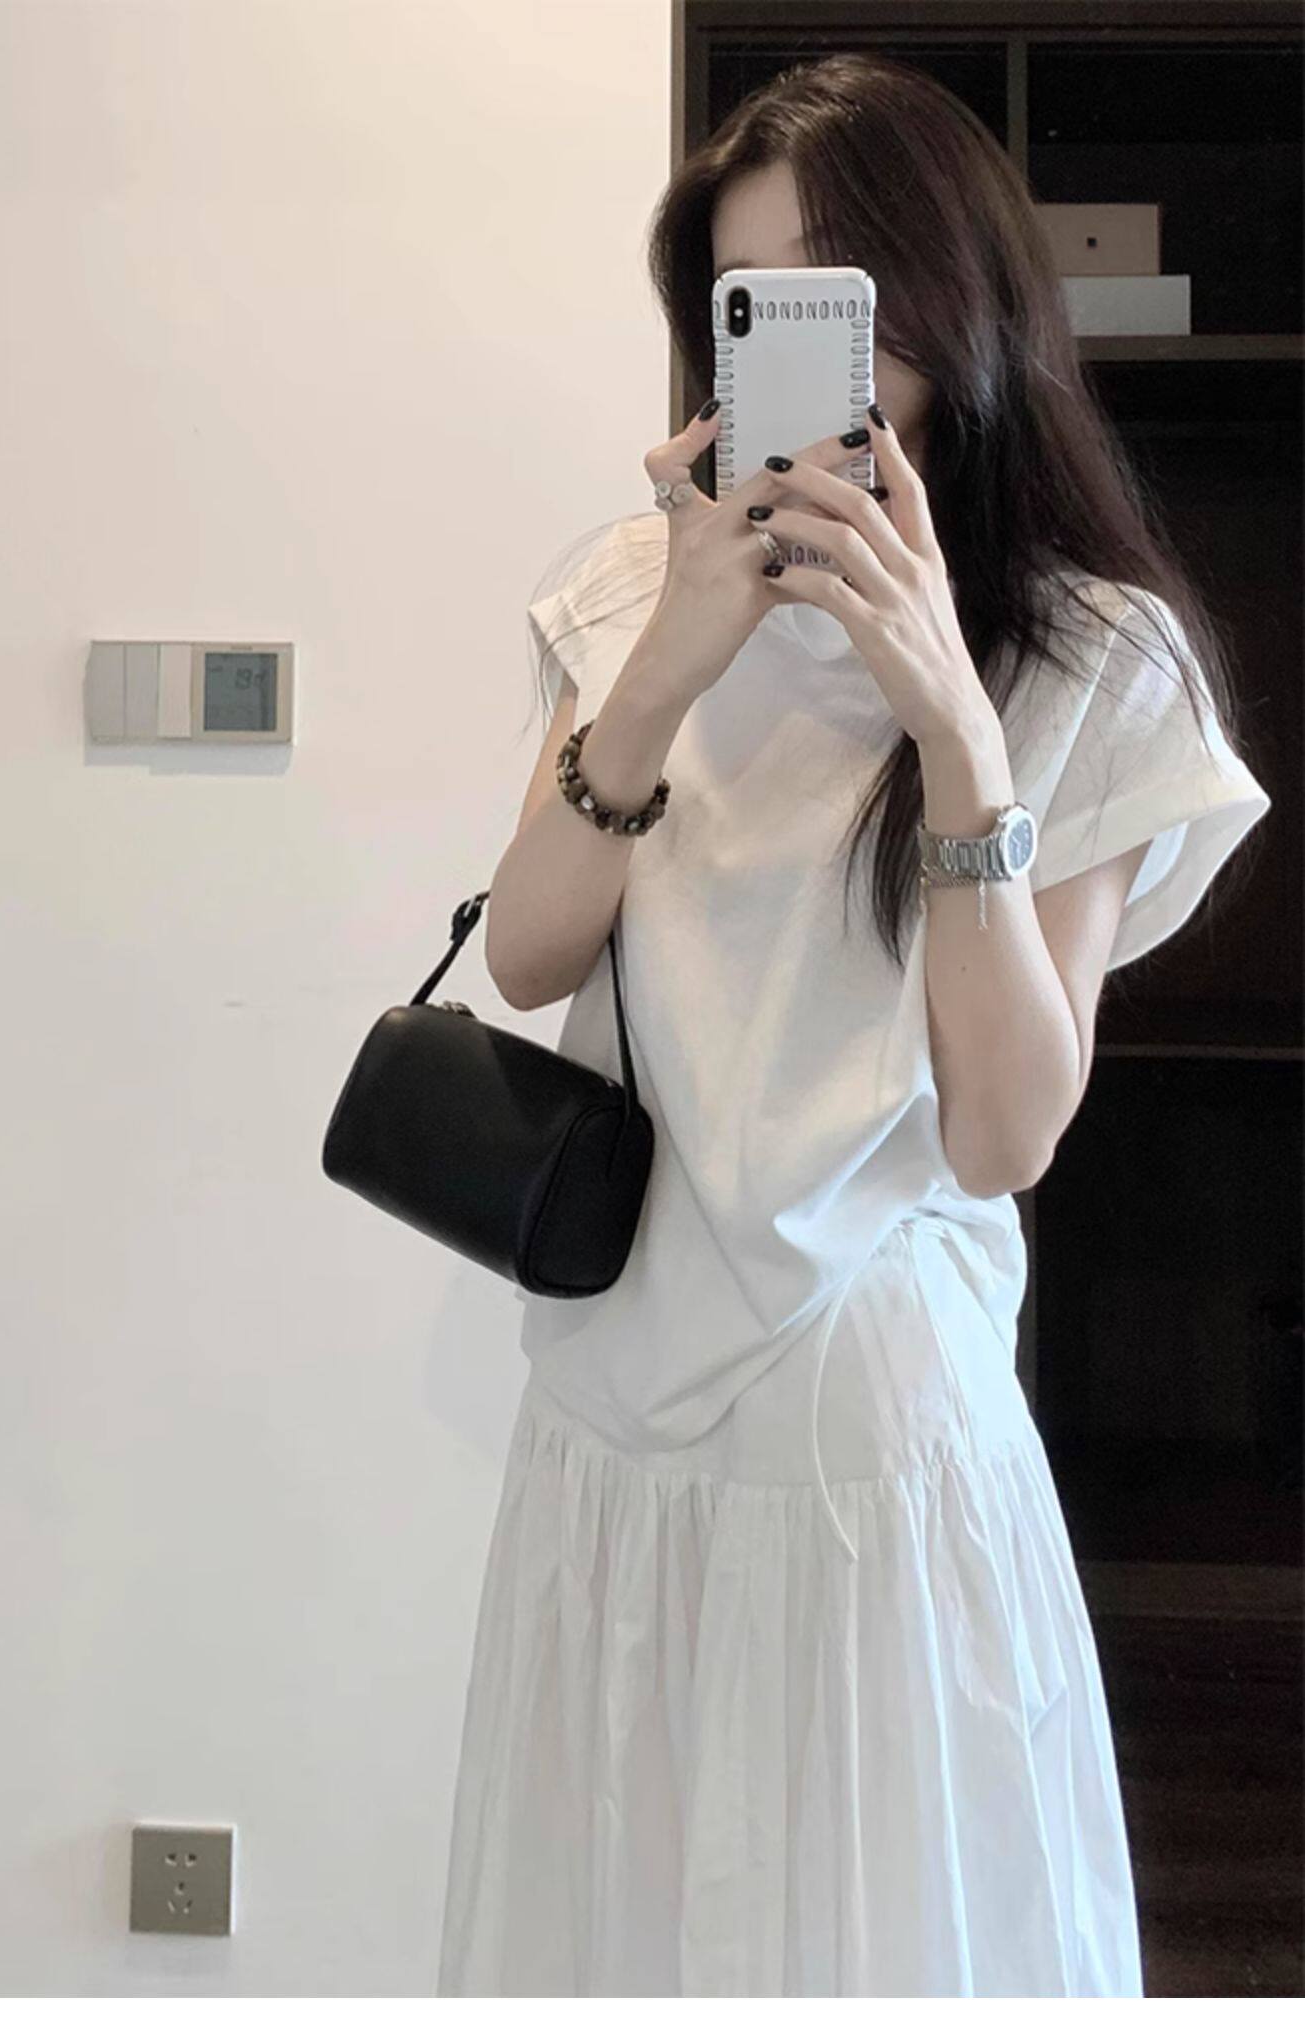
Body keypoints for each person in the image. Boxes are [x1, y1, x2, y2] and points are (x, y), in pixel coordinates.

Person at [436, 52, 1272, 1997]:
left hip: (869, 1442)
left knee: (883, 1951)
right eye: (758, 307)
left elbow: (1005, 1131)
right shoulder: (633, 594)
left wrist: (955, 728)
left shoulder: (1086, 656)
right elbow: (529, 957)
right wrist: (667, 669)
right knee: (616, 1941)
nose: (815, 364)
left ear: (958, 306)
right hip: (612, 1418)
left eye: (849, 301)